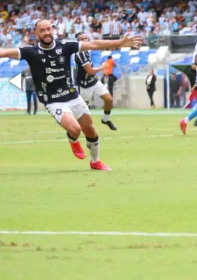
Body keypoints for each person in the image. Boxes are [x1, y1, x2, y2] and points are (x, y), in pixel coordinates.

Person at [0, 19, 142, 170]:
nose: (47, 33)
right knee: (75, 129)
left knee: (91, 130)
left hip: (73, 96)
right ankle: (73, 139)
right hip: (53, 101)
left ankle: (95, 162)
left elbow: (94, 44)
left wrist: (120, 43)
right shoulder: (30, 51)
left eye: (49, 29)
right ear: (36, 33)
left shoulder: (65, 45)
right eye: (42, 30)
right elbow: (3, 52)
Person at [74, 32, 117, 130]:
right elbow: (90, 71)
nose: (86, 41)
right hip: (84, 85)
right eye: (83, 39)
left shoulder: (87, 51)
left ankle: (106, 119)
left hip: (93, 81)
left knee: (108, 99)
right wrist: (103, 66)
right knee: (83, 111)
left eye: (87, 38)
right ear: (78, 42)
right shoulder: (80, 54)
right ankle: (75, 127)